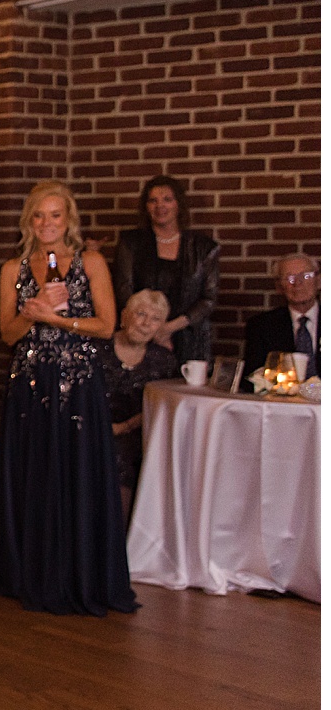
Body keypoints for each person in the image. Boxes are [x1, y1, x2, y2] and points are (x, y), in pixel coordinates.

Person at [0, 180, 135, 617]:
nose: (47, 223)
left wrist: (58, 319)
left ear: (69, 219)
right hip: (30, 383)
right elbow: (7, 333)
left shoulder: (91, 262)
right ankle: (29, 572)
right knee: (36, 471)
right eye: (39, 215)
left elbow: (106, 326)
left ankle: (81, 573)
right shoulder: (15, 268)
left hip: (79, 384)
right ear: (29, 220)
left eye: (55, 215)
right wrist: (32, 314)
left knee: (79, 471)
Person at [110, 175, 220, 363]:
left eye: (167, 200)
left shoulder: (203, 247)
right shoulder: (131, 243)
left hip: (188, 338)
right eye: (153, 200)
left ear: (179, 205)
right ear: (146, 207)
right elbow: (123, 290)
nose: (160, 206)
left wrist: (167, 328)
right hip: (140, 336)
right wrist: (150, 328)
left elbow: (208, 299)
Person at [102, 289, 179, 518]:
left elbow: (162, 405)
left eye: (156, 319)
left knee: (124, 454)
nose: (146, 324)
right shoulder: (95, 349)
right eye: (141, 314)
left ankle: (122, 540)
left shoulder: (164, 360)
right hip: (91, 427)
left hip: (138, 430)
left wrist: (124, 427)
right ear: (125, 316)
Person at [242, 253, 320, 387]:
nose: (297, 283)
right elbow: (252, 377)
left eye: (306, 276)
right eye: (289, 278)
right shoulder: (261, 326)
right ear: (278, 287)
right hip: (281, 405)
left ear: (319, 281)